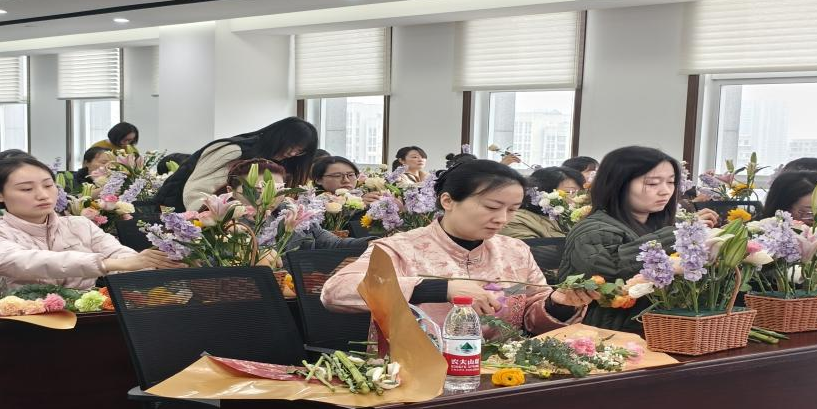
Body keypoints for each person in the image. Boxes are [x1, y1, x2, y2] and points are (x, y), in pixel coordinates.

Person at [323, 159, 597, 332]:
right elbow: (336, 291)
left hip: (505, 374)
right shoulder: (399, 248)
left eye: (512, 210)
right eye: (492, 207)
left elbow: (532, 318)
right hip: (418, 376)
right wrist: (442, 289)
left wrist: (557, 305)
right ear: (448, 201)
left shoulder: (514, 250)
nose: (502, 219)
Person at [0, 155, 183, 295]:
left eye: (48, 185)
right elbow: (24, 262)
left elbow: (120, 255)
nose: (42, 195)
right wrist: (108, 264)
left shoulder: (79, 225)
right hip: (10, 325)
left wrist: (155, 264)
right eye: (26, 189)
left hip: (84, 320)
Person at [558, 146, 719, 332]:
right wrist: (679, 234)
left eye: (671, 182)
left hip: (666, 330)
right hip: (611, 334)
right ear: (618, 185)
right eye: (652, 183)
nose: (665, 191)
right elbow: (612, 269)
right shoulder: (592, 230)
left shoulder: (659, 225)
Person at [161, 117, 318, 212]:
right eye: (292, 147)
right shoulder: (234, 151)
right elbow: (197, 191)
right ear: (280, 137)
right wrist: (215, 218)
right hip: (184, 215)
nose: (292, 154)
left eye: (299, 151)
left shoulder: (278, 163)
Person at [222, 159, 369, 253]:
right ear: (230, 192)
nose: (268, 197)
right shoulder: (220, 225)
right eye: (257, 191)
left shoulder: (293, 215)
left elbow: (335, 244)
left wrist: (374, 243)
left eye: (278, 190)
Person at [500, 166, 585, 239]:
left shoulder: (569, 217)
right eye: (570, 192)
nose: (579, 198)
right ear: (544, 192)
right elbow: (530, 250)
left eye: (581, 193)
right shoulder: (517, 221)